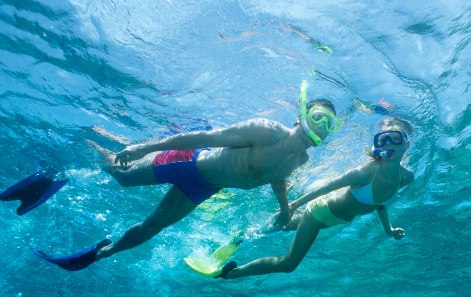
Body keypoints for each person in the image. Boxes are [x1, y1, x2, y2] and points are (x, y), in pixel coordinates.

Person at [32, 82, 340, 271]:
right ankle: (89, 142)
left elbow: (277, 181)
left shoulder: (301, 158)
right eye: (318, 118)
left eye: (329, 126)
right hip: (188, 162)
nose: (321, 128)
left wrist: (286, 211)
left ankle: (102, 253)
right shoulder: (266, 130)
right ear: (301, 115)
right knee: (121, 175)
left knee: (153, 227)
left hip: (204, 187)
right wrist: (145, 147)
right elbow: (202, 137)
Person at [219, 116, 415, 279]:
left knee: (279, 227)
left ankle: (243, 235)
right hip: (319, 213)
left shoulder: (406, 178)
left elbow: (379, 204)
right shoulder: (365, 172)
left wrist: (388, 229)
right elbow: (326, 187)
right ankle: (231, 274)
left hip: (333, 220)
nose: (388, 143)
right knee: (289, 264)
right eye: (383, 139)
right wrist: (292, 206)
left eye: (394, 138)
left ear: (406, 144)